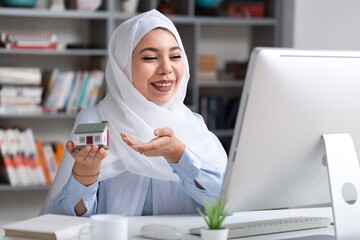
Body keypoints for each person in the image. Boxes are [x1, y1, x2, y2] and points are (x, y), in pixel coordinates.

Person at [40, 9, 227, 217]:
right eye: (150, 58)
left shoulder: (192, 125)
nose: (166, 68)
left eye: (175, 56)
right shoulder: (96, 121)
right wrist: (85, 174)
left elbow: (224, 204)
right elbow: (66, 220)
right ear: (122, 67)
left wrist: (179, 156)